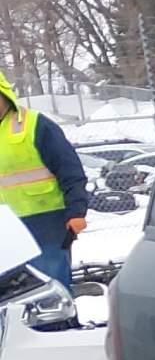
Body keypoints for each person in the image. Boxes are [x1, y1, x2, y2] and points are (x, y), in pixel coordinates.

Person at [0, 67, 91, 288]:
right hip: (5, 226)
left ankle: (58, 323)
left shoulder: (34, 125)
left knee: (49, 285)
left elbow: (70, 171)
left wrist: (76, 211)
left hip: (46, 221)